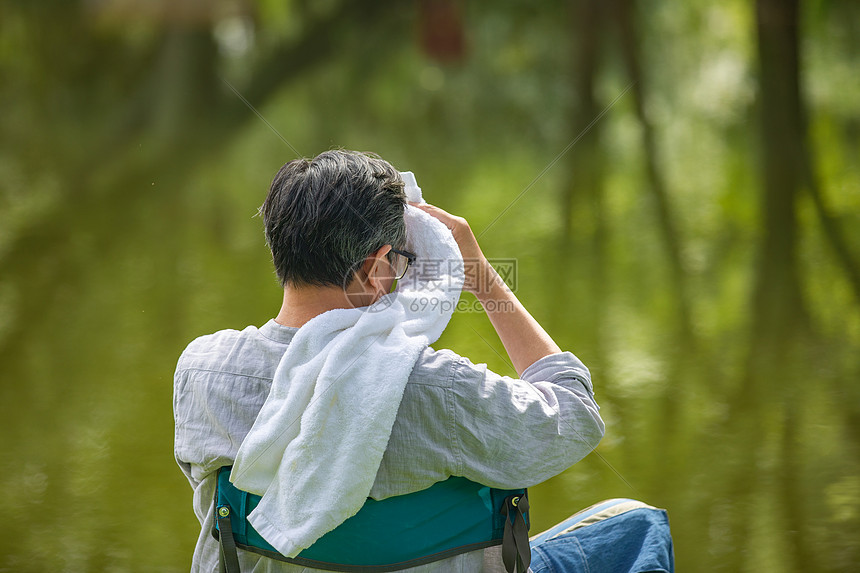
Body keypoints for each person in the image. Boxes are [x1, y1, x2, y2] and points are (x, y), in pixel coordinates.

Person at [174, 150, 665, 572]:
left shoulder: (202, 376)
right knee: (637, 525)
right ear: (373, 268)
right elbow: (576, 413)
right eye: (402, 261)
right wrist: (480, 276)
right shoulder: (441, 390)